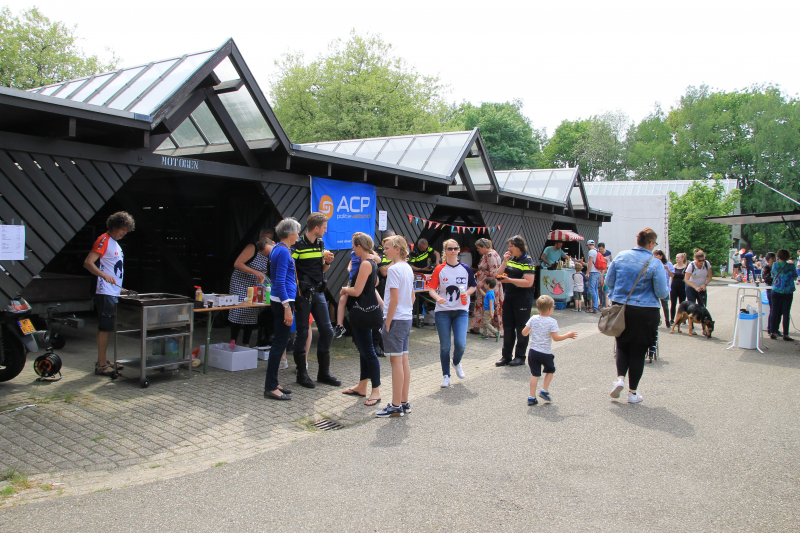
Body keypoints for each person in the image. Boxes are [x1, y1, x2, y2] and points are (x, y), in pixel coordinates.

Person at [607, 227, 669, 404]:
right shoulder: (654, 262)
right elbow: (662, 292)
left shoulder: (620, 256)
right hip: (645, 310)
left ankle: (619, 378)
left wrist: (619, 294)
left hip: (621, 307)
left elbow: (609, 281)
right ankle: (632, 393)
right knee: (638, 352)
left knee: (622, 345)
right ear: (650, 243)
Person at [83, 212, 135, 377]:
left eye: (126, 231)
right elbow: (88, 262)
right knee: (105, 328)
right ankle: (101, 364)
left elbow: (113, 271)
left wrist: (120, 289)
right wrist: (103, 276)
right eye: (123, 230)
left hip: (111, 292)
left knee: (106, 327)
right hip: (104, 292)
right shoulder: (104, 240)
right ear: (115, 226)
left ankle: (104, 360)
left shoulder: (115, 244)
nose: (124, 233)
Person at [291, 213, 339, 389]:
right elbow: (291, 269)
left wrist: (327, 262)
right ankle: (301, 374)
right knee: (303, 333)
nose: (326, 230)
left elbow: (321, 269)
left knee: (327, 331)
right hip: (303, 294)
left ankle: (323, 373)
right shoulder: (297, 245)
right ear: (316, 228)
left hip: (318, 292)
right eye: (325, 227)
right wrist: (297, 290)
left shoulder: (320, 244)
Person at [341, 233, 383, 406]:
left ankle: (376, 390)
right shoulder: (371, 262)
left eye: (353, 245)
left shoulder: (366, 263)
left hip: (364, 312)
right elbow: (374, 284)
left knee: (369, 352)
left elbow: (356, 291)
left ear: (359, 245)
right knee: (365, 351)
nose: (352, 248)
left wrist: (344, 289)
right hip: (367, 311)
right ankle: (362, 386)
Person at [428, 238, 477, 387]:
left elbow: (473, 286)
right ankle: (446, 376)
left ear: (458, 250)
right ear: (446, 251)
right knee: (445, 346)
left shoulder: (466, 268)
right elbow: (431, 289)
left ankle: (456, 362)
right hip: (443, 311)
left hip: (461, 310)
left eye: (455, 248)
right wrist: (438, 298)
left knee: (461, 344)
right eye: (450, 249)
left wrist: (467, 294)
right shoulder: (439, 269)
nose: (453, 251)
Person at [375, 236, 414, 418]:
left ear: (397, 249)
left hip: (396, 319)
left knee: (396, 362)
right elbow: (412, 297)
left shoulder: (394, 270)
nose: (384, 251)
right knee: (403, 360)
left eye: (387, 248)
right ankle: (404, 401)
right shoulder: (407, 268)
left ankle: (396, 405)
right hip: (406, 318)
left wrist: (388, 322)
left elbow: (395, 299)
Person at [264, 218, 299, 401]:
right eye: (297, 232)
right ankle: (270, 387)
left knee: (279, 342)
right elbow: (278, 280)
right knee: (280, 343)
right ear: (290, 233)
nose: (298, 235)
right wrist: (286, 307)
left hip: (279, 299)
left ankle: (274, 382)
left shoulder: (277, 248)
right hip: (283, 301)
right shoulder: (283, 252)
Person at [522, 295, 578, 405]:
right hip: (545, 352)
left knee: (535, 374)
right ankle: (544, 390)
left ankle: (531, 397)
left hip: (533, 351)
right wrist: (567, 335)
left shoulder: (533, 318)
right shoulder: (552, 322)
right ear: (549, 309)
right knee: (550, 370)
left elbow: (524, 333)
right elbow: (556, 338)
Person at [495, 235, 536, 367]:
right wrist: (505, 261)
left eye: (511, 246)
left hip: (522, 298)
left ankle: (520, 356)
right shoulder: (511, 259)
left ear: (519, 247)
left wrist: (510, 281)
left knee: (521, 328)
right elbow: (498, 275)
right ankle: (506, 356)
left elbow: (529, 282)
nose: (509, 248)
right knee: (508, 328)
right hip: (509, 296)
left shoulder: (528, 261)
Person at [229, 235, 273, 347]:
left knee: (252, 312)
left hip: (255, 283)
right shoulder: (252, 247)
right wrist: (254, 272)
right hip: (241, 282)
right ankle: (233, 341)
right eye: (264, 253)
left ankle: (246, 343)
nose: (266, 255)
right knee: (238, 311)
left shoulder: (274, 250)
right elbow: (237, 264)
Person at [471, 238, 504, 335]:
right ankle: (476, 327)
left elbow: (493, 272)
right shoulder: (488, 254)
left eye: (478, 248)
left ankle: (499, 330)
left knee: (491, 306)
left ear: (484, 247)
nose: (478, 250)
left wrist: (482, 281)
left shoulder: (491, 255)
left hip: (489, 286)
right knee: (481, 306)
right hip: (485, 285)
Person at [768, 249, 796, 341]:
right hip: (787, 291)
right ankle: (786, 334)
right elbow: (795, 276)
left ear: (778, 256)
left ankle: (772, 332)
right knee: (786, 312)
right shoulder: (791, 266)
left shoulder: (775, 265)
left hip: (776, 290)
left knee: (774, 311)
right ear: (788, 256)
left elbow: (772, 274)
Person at [653, 249, 673, 327]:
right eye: (654, 255)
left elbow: (672, 275)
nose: (655, 257)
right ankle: (658, 319)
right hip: (655, 287)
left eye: (656, 255)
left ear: (661, 256)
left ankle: (667, 321)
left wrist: (667, 269)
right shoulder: (653, 264)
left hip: (664, 287)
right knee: (656, 305)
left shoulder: (668, 264)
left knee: (665, 305)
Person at [669, 253, 688, 324]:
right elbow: (671, 275)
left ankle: (682, 319)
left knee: (682, 304)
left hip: (682, 287)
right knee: (673, 303)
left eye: (678, 257)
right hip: (674, 287)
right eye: (676, 257)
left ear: (683, 259)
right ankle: (671, 319)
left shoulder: (686, 267)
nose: (677, 259)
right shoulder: (674, 267)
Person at [762, 252, 776, 336]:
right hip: (770, 289)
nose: (774, 260)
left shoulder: (777, 266)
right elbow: (766, 279)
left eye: (774, 258)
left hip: (777, 289)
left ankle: (775, 329)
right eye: (772, 258)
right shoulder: (767, 268)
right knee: (773, 309)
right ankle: (770, 328)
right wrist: (774, 277)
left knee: (777, 310)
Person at [585, 240, 601, 314]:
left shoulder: (591, 252)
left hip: (593, 272)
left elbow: (590, 262)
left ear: (588, 245)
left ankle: (594, 307)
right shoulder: (597, 251)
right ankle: (596, 306)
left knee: (592, 290)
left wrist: (588, 272)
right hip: (598, 272)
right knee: (595, 290)